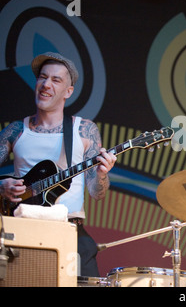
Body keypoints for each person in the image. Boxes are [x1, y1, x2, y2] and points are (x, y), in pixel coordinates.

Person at [0, 52, 117, 277]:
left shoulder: (84, 130)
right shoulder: (16, 130)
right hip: (23, 229)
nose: (46, 85)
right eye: (42, 77)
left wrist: (101, 174)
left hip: (70, 229)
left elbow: (97, 193)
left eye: (56, 80)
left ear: (68, 91)